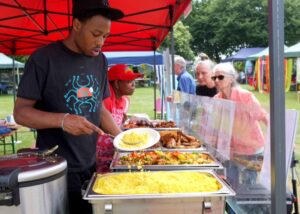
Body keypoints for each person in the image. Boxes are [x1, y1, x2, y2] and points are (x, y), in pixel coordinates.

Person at [13, 0, 124, 213]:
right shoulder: (43, 59)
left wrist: (123, 140)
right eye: (96, 34)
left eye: (105, 36)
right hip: (55, 169)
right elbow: (20, 112)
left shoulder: (100, 60)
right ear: (76, 25)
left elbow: (98, 108)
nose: (101, 42)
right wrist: (62, 120)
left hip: (90, 166)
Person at [212, 62, 268, 188]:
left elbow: (263, 116)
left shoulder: (245, 96)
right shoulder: (216, 99)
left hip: (250, 150)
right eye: (214, 77)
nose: (216, 80)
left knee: (249, 187)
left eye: (220, 77)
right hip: (229, 151)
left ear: (231, 79)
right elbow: (215, 126)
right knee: (231, 185)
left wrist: (279, 140)